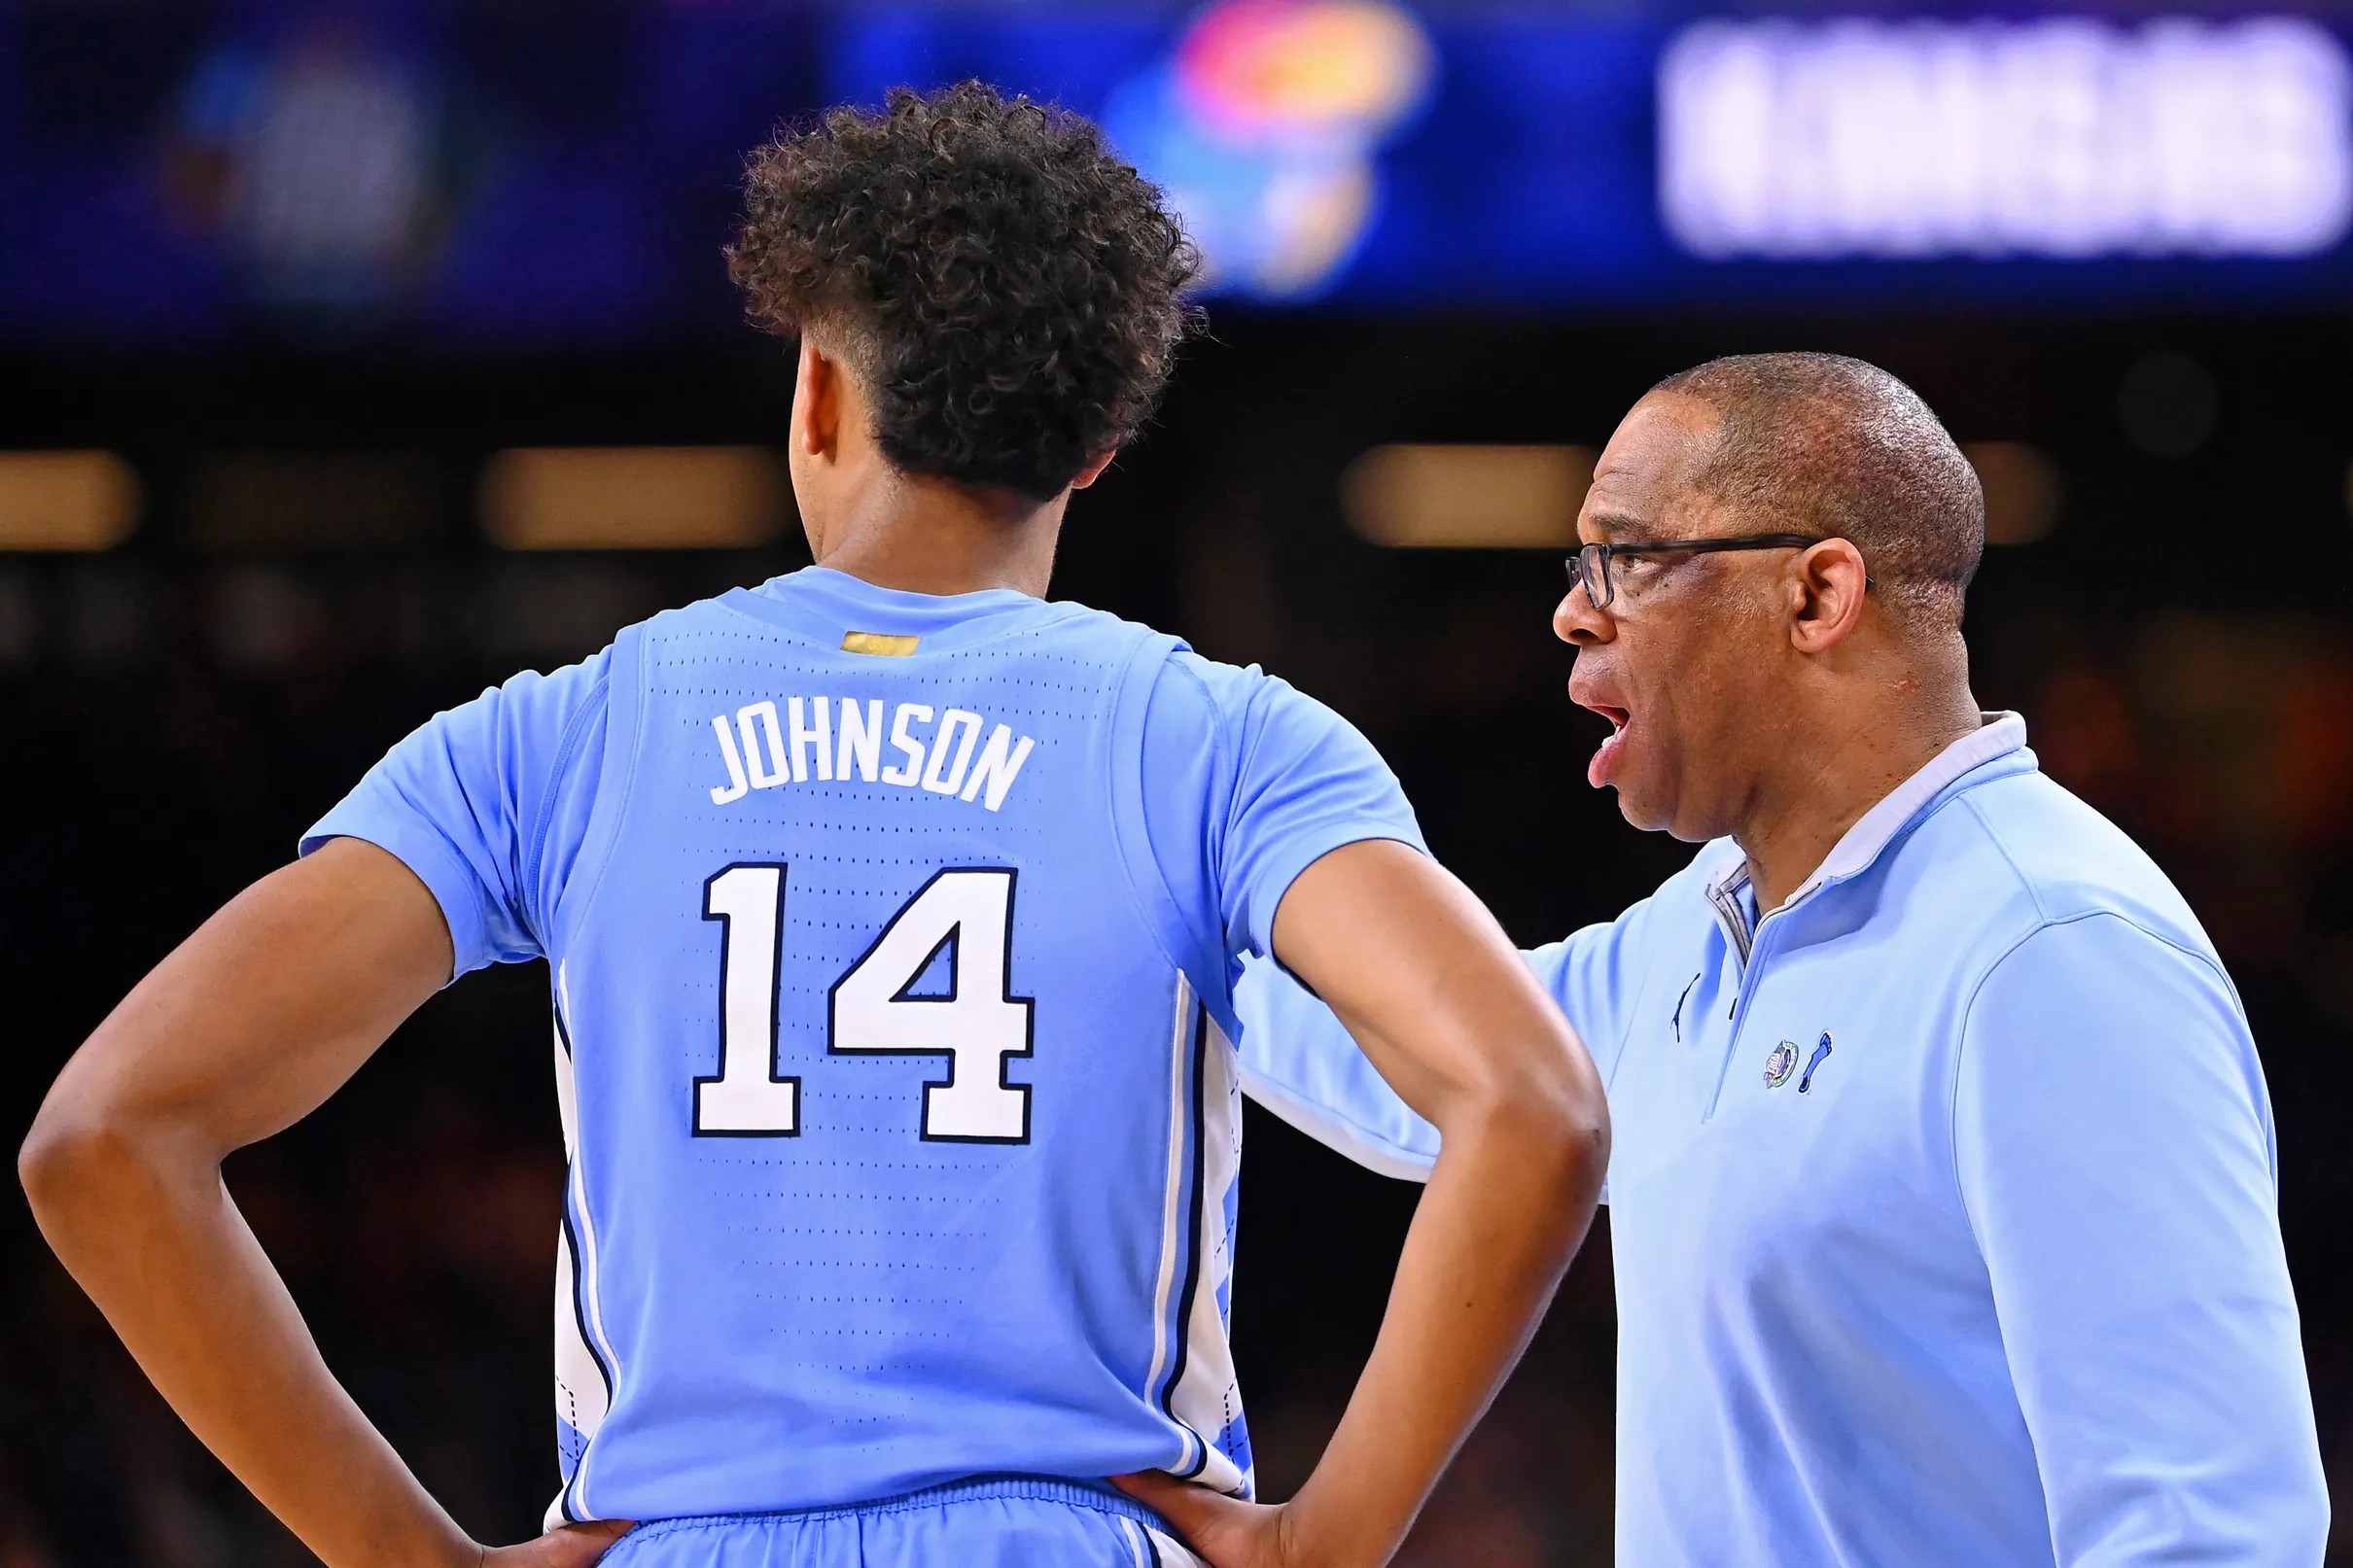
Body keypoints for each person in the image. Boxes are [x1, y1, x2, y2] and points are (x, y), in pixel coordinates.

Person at [18, 85, 1607, 1568]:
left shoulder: (564, 733)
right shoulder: (1218, 740)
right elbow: (1533, 1103)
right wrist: (1325, 1539)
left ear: (820, 391)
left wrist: (411, 1554)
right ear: (1096, 446)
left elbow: (105, 1138)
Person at [1219, 353, 2330, 1566]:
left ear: (1814, 596)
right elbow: (1437, 1064)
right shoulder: (1705, 921)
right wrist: (1133, 923)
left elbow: (2206, 1526)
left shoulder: (2050, 950)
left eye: (1626, 557)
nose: (1573, 607)